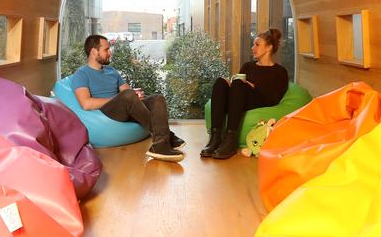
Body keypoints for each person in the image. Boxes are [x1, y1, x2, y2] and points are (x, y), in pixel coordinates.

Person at [72, 34, 185, 162]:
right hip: (107, 111)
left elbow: (126, 90)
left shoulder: (111, 70)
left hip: (124, 105)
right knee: (127, 96)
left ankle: (159, 146)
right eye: (106, 49)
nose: (110, 52)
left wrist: (135, 95)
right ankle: (167, 137)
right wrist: (121, 97)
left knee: (157, 99)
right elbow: (86, 103)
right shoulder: (81, 74)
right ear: (94, 51)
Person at [201, 28, 289, 159]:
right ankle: (215, 138)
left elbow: (274, 99)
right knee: (221, 82)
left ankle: (231, 140)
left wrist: (252, 86)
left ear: (269, 47)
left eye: (257, 44)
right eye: (253, 44)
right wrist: (231, 83)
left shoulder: (280, 71)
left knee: (238, 84)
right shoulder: (248, 66)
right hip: (238, 100)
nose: (253, 48)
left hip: (258, 101)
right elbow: (238, 86)